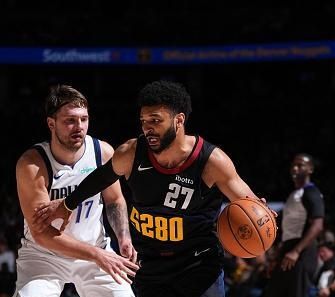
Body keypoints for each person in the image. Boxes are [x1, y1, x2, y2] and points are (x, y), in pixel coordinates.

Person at [33, 80, 274, 297]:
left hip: (198, 264)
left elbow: (247, 201)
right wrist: (67, 204)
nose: (148, 128)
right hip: (151, 265)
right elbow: (100, 178)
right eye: (144, 121)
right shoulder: (131, 153)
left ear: (179, 120)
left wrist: (260, 213)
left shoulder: (211, 161)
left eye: (156, 121)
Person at [13, 85, 138, 297]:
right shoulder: (32, 165)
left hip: (95, 250)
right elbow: (42, 234)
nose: (78, 126)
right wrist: (97, 255)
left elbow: (115, 200)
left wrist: (124, 237)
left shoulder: (102, 152)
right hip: (44, 256)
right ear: (51, 124)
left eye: (84, 119)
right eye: (70, 120)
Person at [266, 153, 325, 297]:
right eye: (293, 165)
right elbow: (287, 229)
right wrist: (277, 255)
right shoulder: (293, 195)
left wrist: (296, 251)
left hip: (302, 253)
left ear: (310, 169)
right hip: (288, 249)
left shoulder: (312, 192)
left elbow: (318, 225)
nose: (295, 168)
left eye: (300, 165)